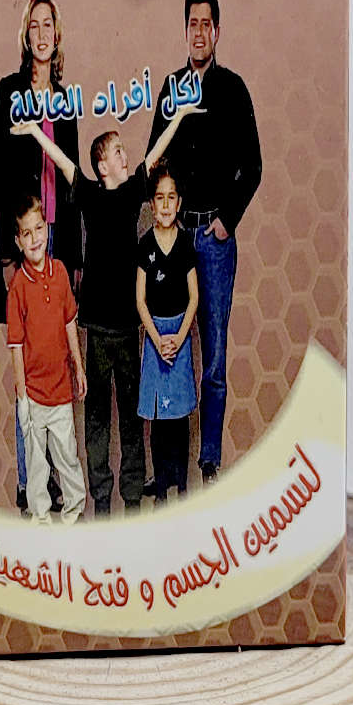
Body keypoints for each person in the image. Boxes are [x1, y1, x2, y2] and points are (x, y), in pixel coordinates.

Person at [12, 101, 197, 516]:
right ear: (101, 165)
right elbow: (63, 162)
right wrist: (35, 132)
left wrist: (180, 117)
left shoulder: (133, 193)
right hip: (96, 329)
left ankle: (131, 497)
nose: (125, 156)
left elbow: (155, 152)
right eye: (117, 152)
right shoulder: (89, 195)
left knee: (131, 418)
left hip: (129, 328)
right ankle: (100, 498)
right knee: (96, 418)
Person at [146, 0, 261, 482]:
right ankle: (169, 468)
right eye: (191, 23)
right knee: (168, 347)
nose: (198, 32)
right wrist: (163, 220)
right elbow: (153, 160)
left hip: (213, 242)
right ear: (185, 30)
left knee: (213, 355)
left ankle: (209, 458)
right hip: (173, 240)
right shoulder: (171, 88)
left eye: (206, 24)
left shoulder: (233, 89)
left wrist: (226, 220)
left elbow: (253, 165)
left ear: (217, 31)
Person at [0, 0, 81, 509]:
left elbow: (73, 181)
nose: (42, 34)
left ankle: (56, 483)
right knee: (25, 364)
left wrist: (77, 258)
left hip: (58, 245)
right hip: (23, 243)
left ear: (57, 34)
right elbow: (0, 173)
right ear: (26, 35)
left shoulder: (66, 99)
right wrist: (7, 255)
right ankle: (30, 487)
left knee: (55, 361)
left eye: (49, 25)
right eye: (35, 26)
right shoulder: (10, 91)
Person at [5, 195, 86, 525]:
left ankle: (73, 515)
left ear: (47, 229)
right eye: (27, 233)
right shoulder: (18, 288)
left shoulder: (61, 272)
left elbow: (69, 322)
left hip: (61, 390)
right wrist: (22, 398)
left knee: (68, 457)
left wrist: (78, 367)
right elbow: (15, 346)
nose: (35, 238)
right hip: (34, 395)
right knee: (37, 465)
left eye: (39, 229)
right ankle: (40, 521)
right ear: (18, 241)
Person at [136, 165, 199, 500]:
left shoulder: (186, 242)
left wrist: (180, 336)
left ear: (179, 203)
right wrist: (158, 340)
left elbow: (194, 297)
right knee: (160, 418)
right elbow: (140, 300)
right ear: (152, 203)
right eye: (159, 198)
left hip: (180, 336)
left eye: (171, 198)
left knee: (179, 417)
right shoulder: (145, 245)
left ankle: (183, 487)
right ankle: (161, 489)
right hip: (156, 339)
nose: (165, 205)